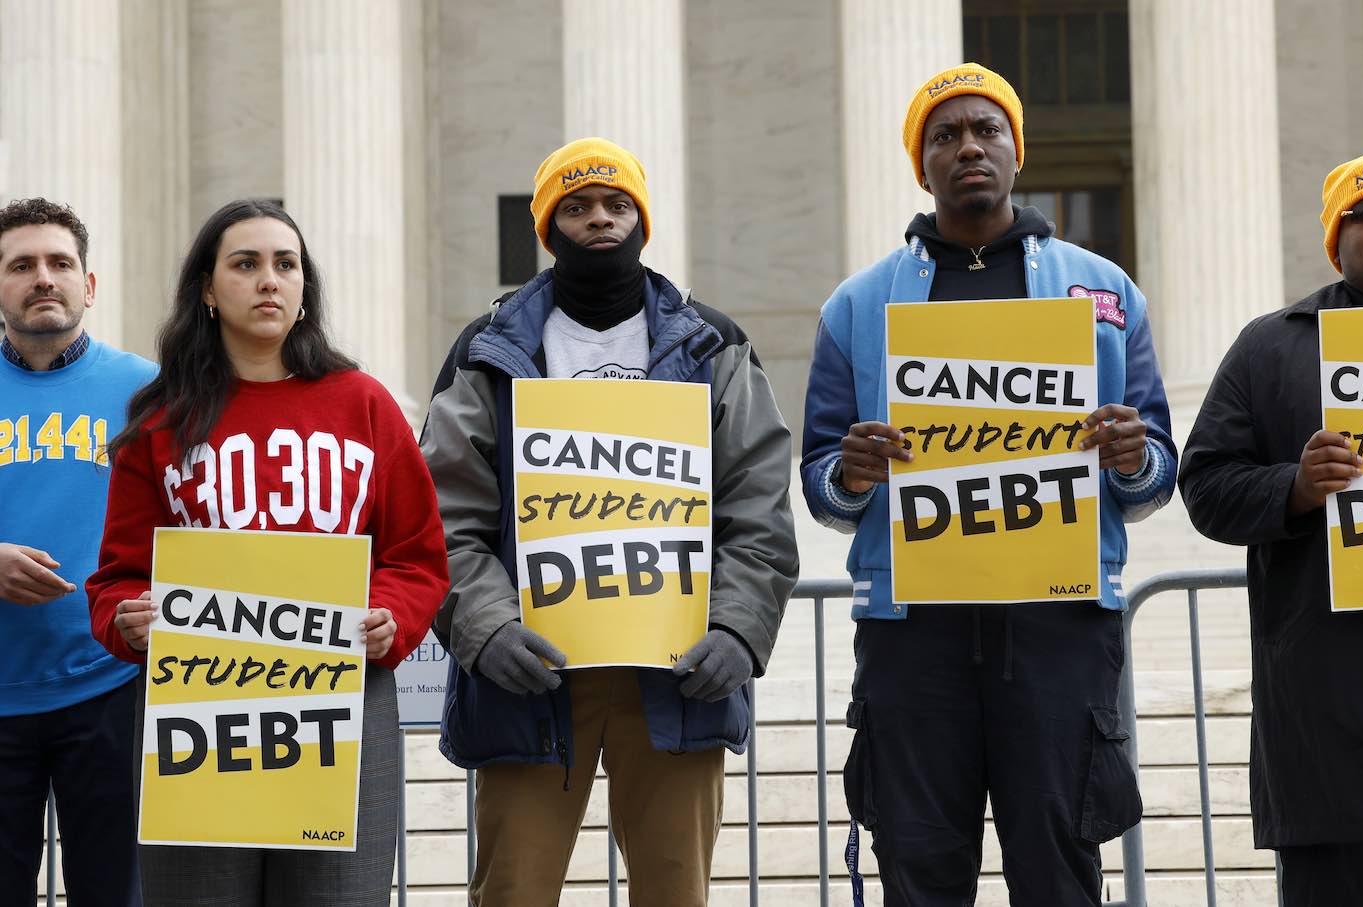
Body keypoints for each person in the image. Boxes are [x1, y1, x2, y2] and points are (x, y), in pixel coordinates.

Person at [799, 63, 1176, 905]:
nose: (969, 145)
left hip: (1059, 627)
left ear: (1017, 150)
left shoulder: (1105, 293)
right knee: (920, 866)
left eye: (986, 130)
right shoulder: (857, 307)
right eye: (946, 135)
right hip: (911, 635)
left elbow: (1157, 479)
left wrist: (1130, 457)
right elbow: (822, 487)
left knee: (1059, 867)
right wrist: (852, 474)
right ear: (920, 164)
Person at [421, 137, 799, 906]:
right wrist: (488, 628)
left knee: (675, 892)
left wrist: (737, 629)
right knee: (512, 893)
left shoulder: (714, 344)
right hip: (531, 677)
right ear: (547, 226)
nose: (599, 218)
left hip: (676, 676)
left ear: (643, 220)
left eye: (616, 203)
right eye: (577, 205)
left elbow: (757, 503)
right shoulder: (489, 349)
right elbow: (442, 512)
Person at [86, 198, 449, 907]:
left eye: (286, 264)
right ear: (207, 289)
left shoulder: (365, 406)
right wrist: (129, 619)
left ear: (305, 286)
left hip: (341, 712)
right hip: (195, 724)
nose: (269, 281)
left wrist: (391, 616)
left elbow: (417, 556)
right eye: (245, 264)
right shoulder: (161, 421)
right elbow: (116, 579)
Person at [1179, 150, 1363, 906]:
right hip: (1328, 716)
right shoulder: (1270, 347)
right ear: (1336, 240)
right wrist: (1293, 487)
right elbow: (1204, 485)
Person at [0, 198, 153, 906]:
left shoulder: (146, 390)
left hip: (111, 690)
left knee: (114, 894)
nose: (43, 278)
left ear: (88, 285)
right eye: (21, 264)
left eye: (60, 263)